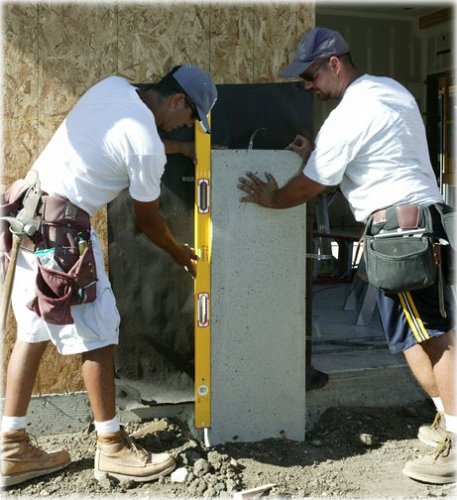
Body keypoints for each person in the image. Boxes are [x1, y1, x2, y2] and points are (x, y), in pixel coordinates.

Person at [238, 27, 455, 485]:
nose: (307, 87)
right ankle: (445, 420)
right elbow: (369, 160)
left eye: (311, 76)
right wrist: (317, 155)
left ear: (335, 64)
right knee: (410, 337)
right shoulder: (387, 90)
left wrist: (272, 199)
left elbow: (309, 187)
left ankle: (456, 439)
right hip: (410, 226)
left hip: (402, 232)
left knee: (435, 338)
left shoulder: (351, 112)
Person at [0, 64, 217, 487]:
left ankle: (11, 447)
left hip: (28, 217)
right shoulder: (145, 146)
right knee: (100, 334)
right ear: (177, 100)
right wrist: (180, 254)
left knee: (33, 332)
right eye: (190, 117)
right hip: (64, 234)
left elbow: (126, 138)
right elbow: (148, 221)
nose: (188, 125)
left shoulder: (113, 88)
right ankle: (112, 446)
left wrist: (178, 147)